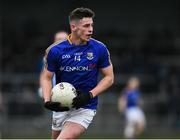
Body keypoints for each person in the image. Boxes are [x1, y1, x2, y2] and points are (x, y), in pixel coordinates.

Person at [41, 7, 114, 139]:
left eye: (91, 25)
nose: (91, 29)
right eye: (86, 26)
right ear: (73, 27)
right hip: (62, 104)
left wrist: (90, 95)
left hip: (85, 106)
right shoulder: (55, 50)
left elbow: (109, 78)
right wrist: (47, 100)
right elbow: (46, 78)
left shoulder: (99, 49)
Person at [38, 31, 68, 98]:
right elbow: (43, 74)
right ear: (54, 41)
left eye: (65, 39)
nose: (62, 41)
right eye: (59, 39)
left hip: (71, 92)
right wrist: (42, 87)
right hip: (53, 94)